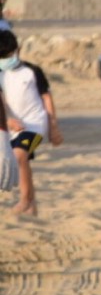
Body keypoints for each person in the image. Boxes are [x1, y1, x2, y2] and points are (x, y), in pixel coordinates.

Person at [0, 30, 63, 216]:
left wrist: (53, 127)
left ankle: (25, 200)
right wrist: (8, 121)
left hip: (35, 124)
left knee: (19, 155)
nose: (6, 60)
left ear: (17, 50)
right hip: (13, 126)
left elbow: (47, 98)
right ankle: (32, 206)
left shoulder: (32, 71)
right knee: (22, 160)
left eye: (8, 55)